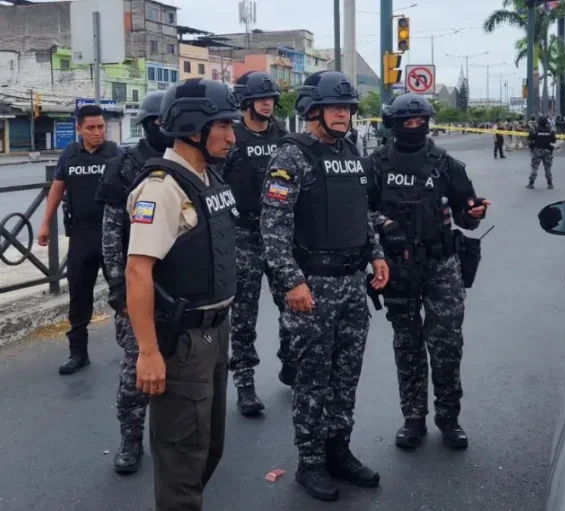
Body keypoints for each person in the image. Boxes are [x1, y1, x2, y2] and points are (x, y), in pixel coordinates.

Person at [260, 70, 389, 502]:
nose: (344, 114)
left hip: (352, 284)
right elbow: (273, 229)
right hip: (312, 287)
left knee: (346, 377)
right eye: (335, 107)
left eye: (348, 108)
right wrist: (292, 282)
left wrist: (376, 254)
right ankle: (310, 462)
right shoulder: (291, 156)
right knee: (313, 379)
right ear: (312, 110)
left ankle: (339, 451)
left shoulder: (350, 150)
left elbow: (362, 212)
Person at [124, 78, 241, 510]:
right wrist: (148, 352)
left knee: (208, 446)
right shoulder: (162, 188)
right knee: (181, 457)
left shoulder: (207, 177)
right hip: (184, 341)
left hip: (214, 332)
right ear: (194, 129)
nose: (232, 135)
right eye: (224, 125)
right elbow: (138, 271)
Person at [365, 93, 490, 452]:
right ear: (393, 125)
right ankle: (413, 418)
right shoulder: (375, 165)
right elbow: (357, 210)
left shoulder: (447, 165)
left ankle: (449, 418)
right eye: (408, 122)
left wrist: (475, 213)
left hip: (441, 264)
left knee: (447, 344)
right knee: (407, 344)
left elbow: (467, 214)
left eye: (421, 121)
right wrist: (383, 223)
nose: (415, 127)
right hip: (397, 266)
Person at [95, 91, 168, 474]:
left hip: (180, 286)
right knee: (135, 368)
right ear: (154, 124)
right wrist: (118, 289)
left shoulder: (182, 162)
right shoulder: (124, 165)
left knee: (181, 366)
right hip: (138, 283)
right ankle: (130, 439)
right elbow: (111, 235)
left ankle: (174, 441)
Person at [220, 71, 289, 416]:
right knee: (244, 315)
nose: (267, 103)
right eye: (261, 98)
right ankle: (245, 383)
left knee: (292, 304)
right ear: (246, 102)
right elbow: (214, 184)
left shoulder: (284, 137)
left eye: (271, 98)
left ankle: (290, 361)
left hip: (279, 234)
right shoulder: (233, 138)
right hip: (243, 234)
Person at [37, 105, 122, 375]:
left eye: (100, 127)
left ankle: (133, 349)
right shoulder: (69, 156)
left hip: (113, 234)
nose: (97, 132)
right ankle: (78, 353)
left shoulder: (116, 154)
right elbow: (57, 189)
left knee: (122, 294)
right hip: (82, 235)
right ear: (79, 129)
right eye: (91, 128)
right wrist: (44, 225)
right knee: (79, 295)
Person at [527, 115, 557, 190]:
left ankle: (531, 183)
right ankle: (550, 184)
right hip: (547, 151)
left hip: (537, 150)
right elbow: (554, 141)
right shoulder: (550, 130)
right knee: (547, 168)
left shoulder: (534, 130)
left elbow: (529, 140)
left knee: (534, 167)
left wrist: (532, 148)